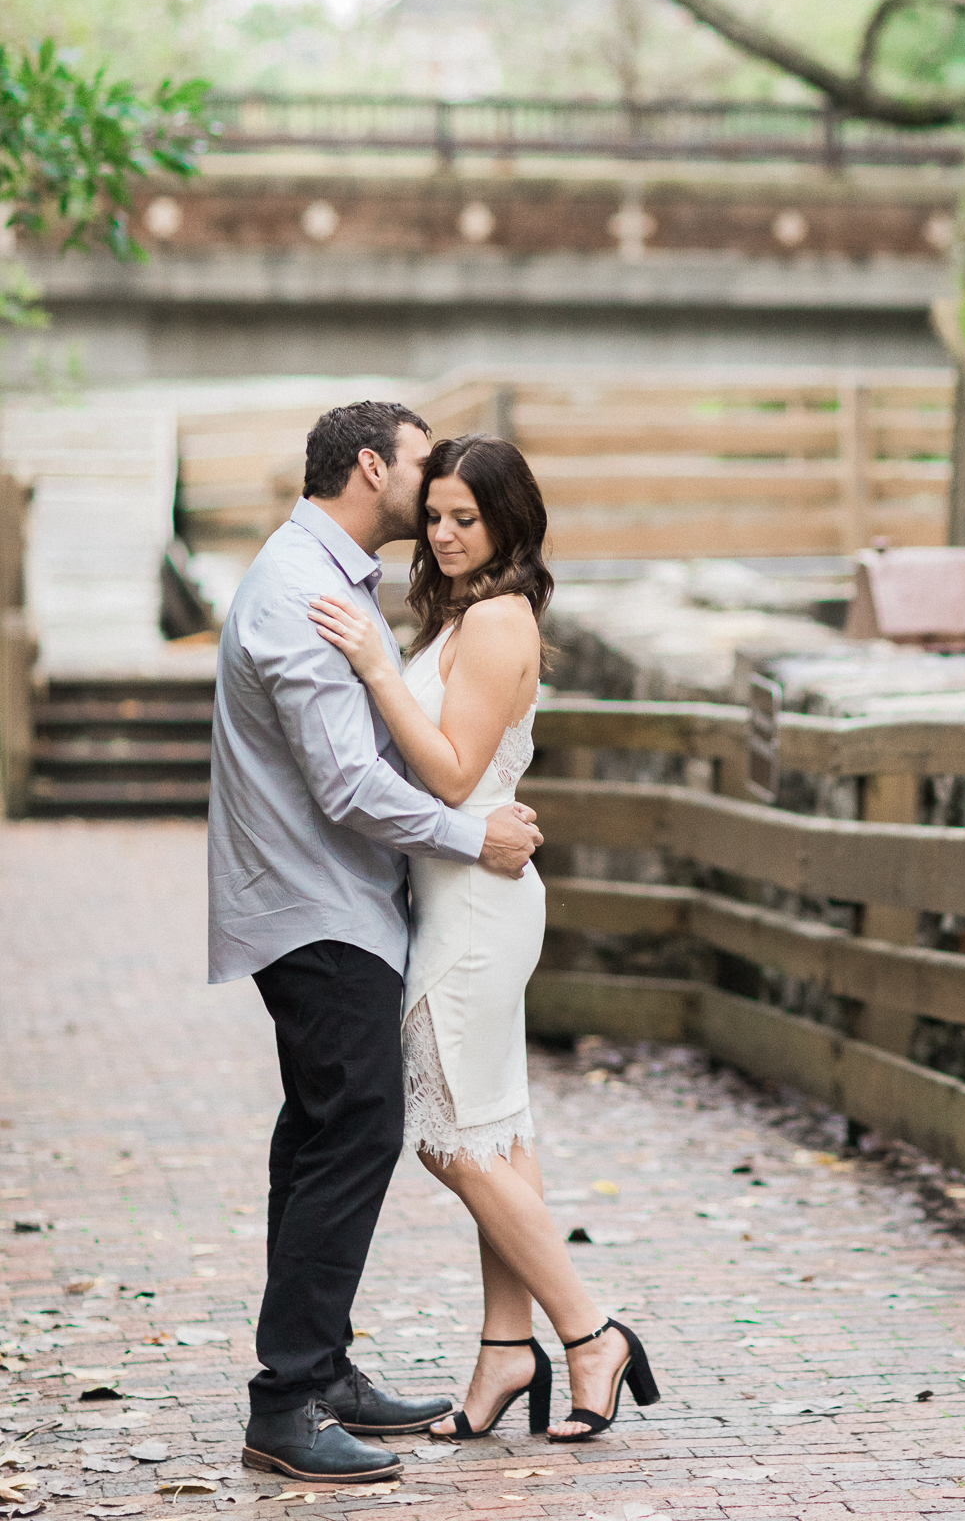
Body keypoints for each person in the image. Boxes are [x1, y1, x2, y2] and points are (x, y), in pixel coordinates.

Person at [208, 402, 545, 1485]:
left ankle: (321, 1369)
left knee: (322, 1129)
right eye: (418, 468)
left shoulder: (334, 576)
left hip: (336, 900)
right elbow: (348, 781)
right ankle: (289, 1397)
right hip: (316, 908)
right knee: (357, 1126)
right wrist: (474, 834)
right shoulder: (299, 588)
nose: (432, 490)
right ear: (370, 466)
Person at [307, 433, 660, 1445]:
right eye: (440, 516)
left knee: (448, 1136)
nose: (449, 533)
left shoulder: (500, 620)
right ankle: (508, 1348)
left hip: (473, 902)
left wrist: (376, 663)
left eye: (471, 517)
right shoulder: (473, 615)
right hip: (466, 889)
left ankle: (591, 1331)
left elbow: (456, 777)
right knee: (497, 1131)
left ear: (510, 521)